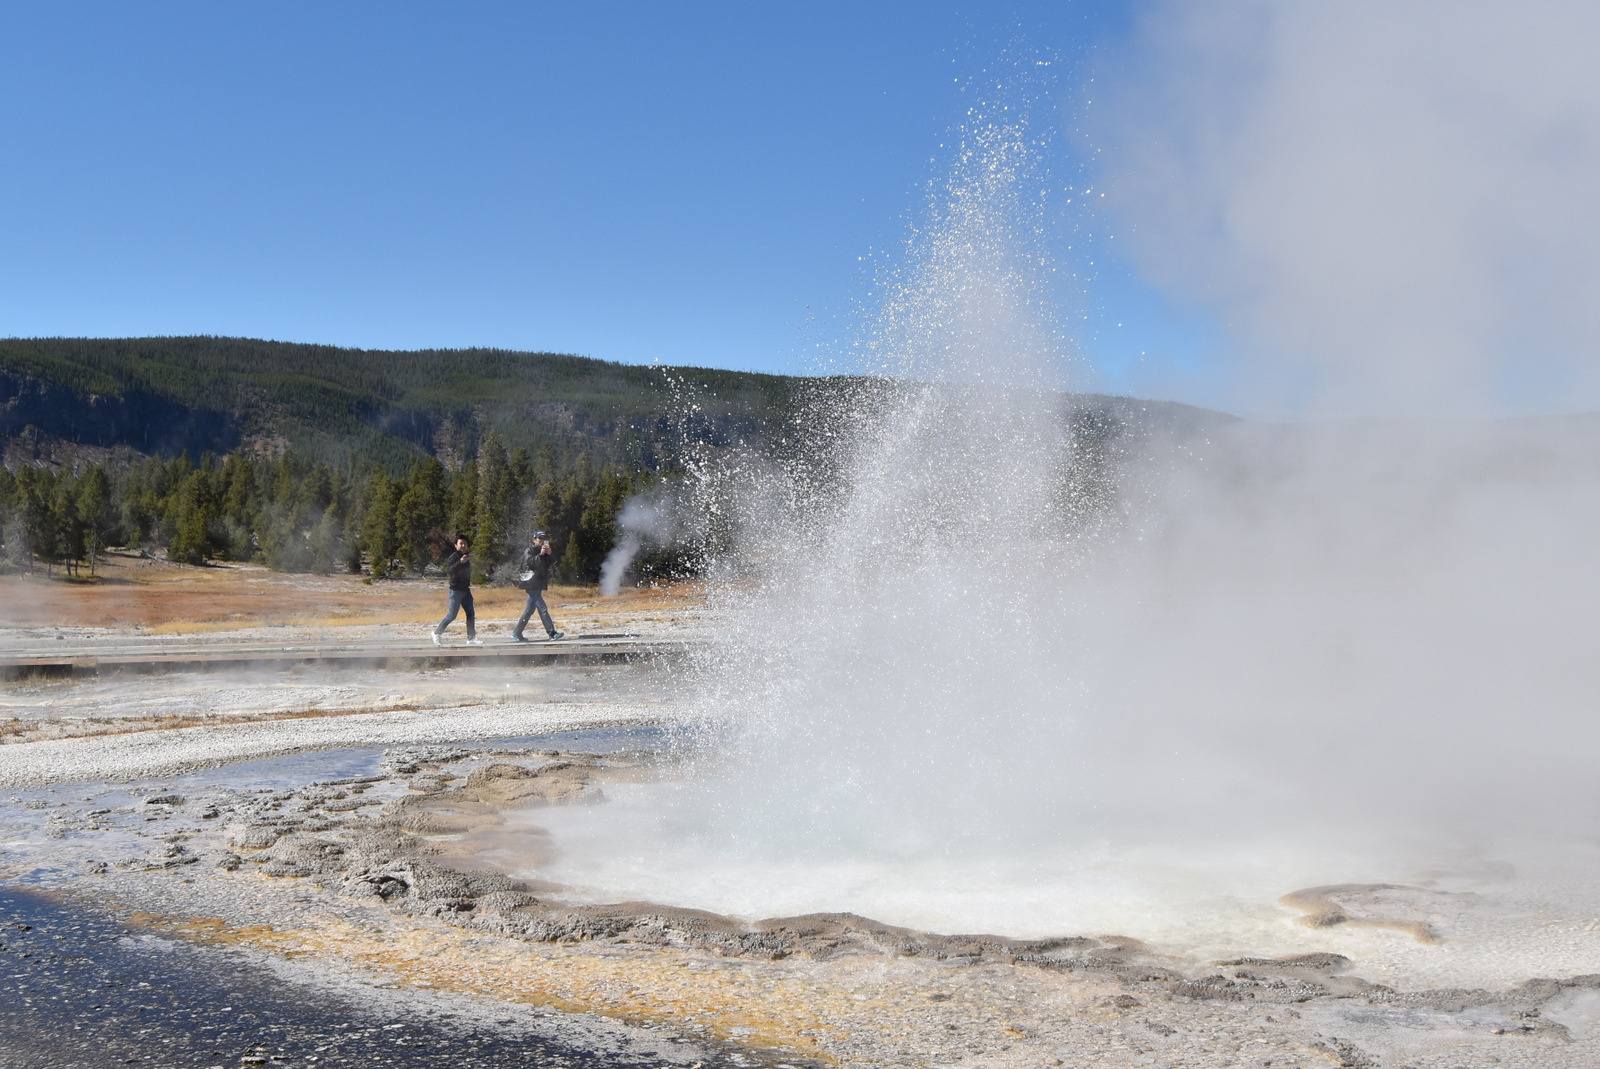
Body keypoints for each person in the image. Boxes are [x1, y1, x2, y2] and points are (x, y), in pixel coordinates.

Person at [511, 531, 563, 642]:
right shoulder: (529, 550)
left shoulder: (543, 551)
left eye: (544, 538)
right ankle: (551, 632)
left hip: (537, 583)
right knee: (542, 608)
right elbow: (529, 563)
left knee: (529, 610)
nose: (542, 540)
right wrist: (541, 555)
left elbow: (549, 564)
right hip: (530, 583)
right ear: (534, 540)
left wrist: (549, 554)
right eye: (540, 538)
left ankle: (517, 633)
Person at [431, 535, 481, 646]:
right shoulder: (453, 557)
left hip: (466, 591)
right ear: (456, 545)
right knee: (452, 615)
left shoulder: (466, 556)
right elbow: (449, 571)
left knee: (470, 614)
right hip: (455, 591)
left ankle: (471, 638)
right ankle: (436, 633)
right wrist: (460, 562)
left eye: (465, 544)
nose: (463, 545)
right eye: (461, 543)